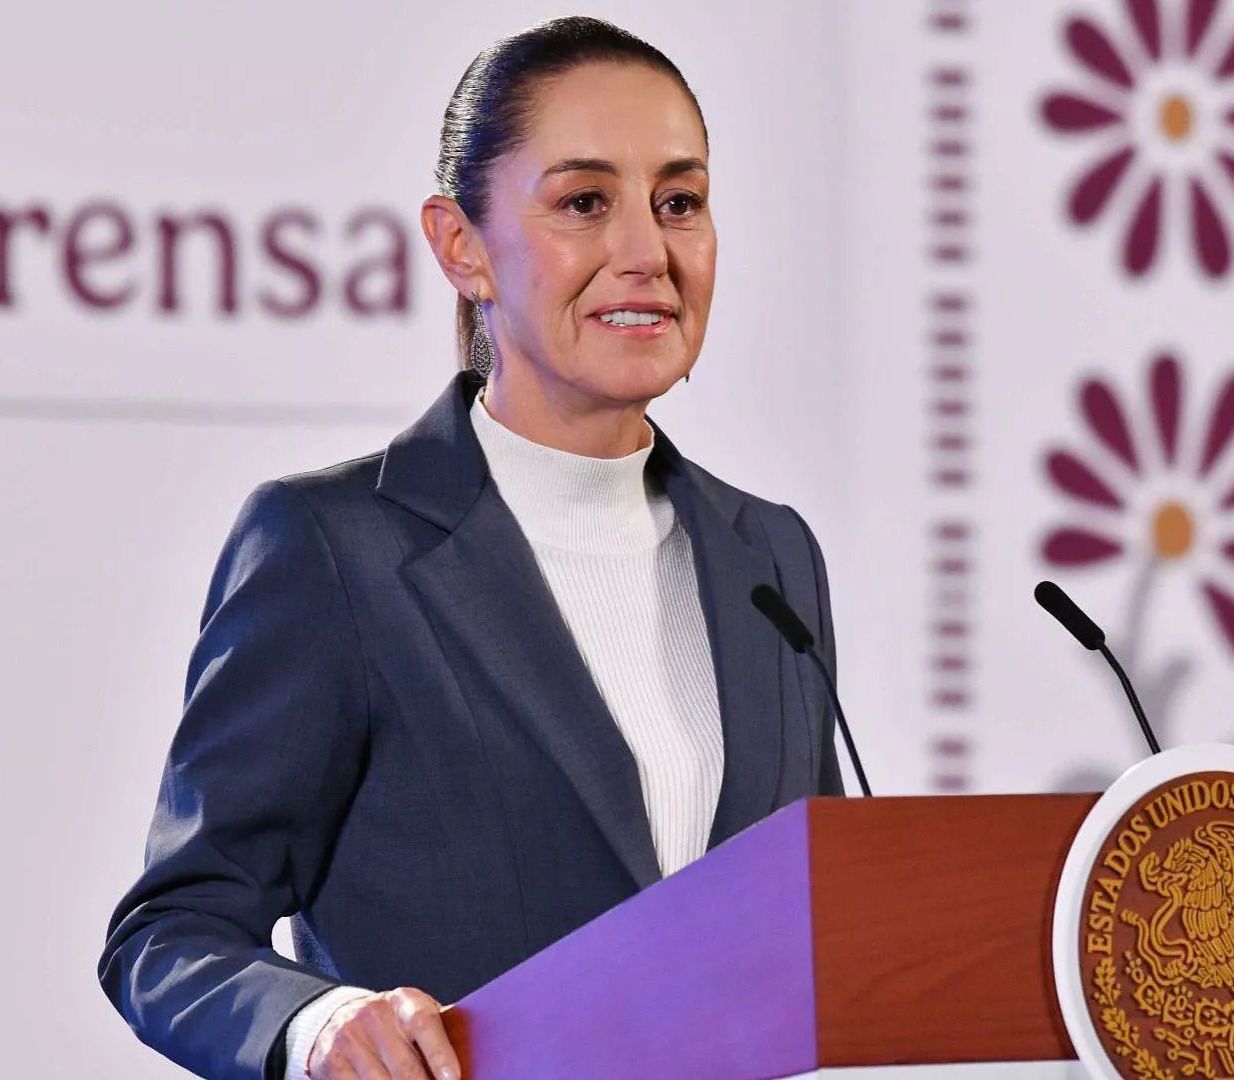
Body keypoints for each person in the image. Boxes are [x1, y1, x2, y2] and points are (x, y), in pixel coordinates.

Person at [97, 15, 844, 1080]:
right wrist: (319, 1027)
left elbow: (813, 921)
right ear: (462, 246)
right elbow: (169, 934)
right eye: (584, 203)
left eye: (679, 202)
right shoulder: (331, 549)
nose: (647, 252)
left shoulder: (771, 555)